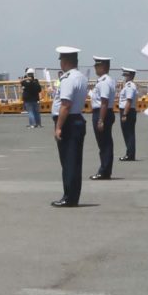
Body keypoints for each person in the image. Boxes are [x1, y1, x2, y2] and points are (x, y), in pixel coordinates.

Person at [51, 46, 88, 207]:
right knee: (74, 161)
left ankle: (69, 197)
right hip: (77, 119)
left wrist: (58, 127)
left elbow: (65, 104)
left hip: (69, 122)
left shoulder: (68, 79)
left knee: (68, 161)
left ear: (65, 61)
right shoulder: (80, 77)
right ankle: (72, 195)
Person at [90, 57, 116, 180]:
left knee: (104, 144)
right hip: (102, 112)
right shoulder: (103, 80)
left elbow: (104, 102)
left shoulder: (105, 82)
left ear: (104, 67)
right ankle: (105, 169)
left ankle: (104, 171)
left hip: (102, 113)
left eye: (97, 66)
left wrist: (101, 119)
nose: (95, 68)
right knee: (104, 144)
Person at [116, 67, 139, 161]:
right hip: (128, 111)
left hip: (127, 111)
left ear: (130, 75)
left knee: (128, 134)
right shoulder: (128, 85)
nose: (125, 77)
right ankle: (129, 153)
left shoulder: (130, 86)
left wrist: (124, 114)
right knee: (128, 133)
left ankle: (130, 154)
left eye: (126, 75)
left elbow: (128, 101)